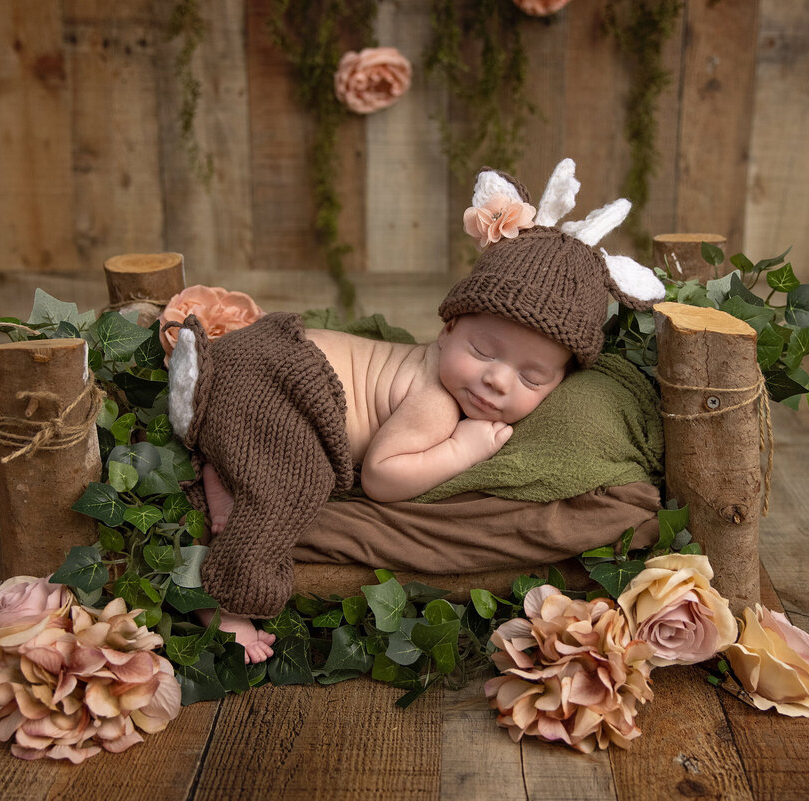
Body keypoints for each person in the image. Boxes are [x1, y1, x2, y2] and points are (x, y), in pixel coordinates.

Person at [164, 159, 666, 663]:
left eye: (531, 378)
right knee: (297, 483)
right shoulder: (435, 402)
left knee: (273, 460)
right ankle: (226, 599)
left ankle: (224, 466)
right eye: (483, 352)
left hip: (253, 364)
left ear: (561, 382)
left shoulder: (448, 371)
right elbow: (382, 477)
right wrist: (460, 449)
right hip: (287, 383)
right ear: (446, 328)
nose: (496, 379)